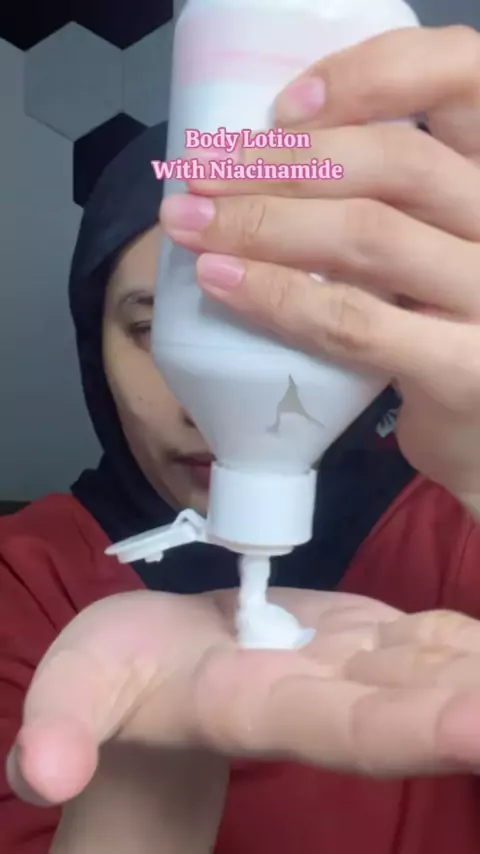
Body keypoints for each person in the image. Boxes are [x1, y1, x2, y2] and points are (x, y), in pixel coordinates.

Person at [3, 22, 480, 854]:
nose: (201, 408)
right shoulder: (27, 578)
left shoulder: (452, 529)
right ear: (93, 346)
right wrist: (140, 781)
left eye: (280, 328)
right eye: (154, 330)